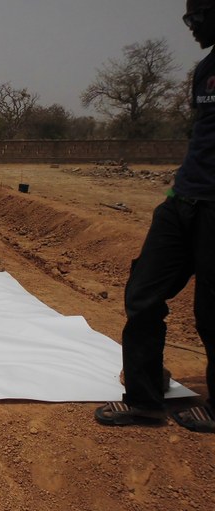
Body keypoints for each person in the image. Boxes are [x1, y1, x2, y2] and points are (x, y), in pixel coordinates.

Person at [95, 0, 215, 432]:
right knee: (143, 293)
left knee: (211, 310)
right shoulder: (205, 70)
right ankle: (144, 399)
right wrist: (179, 191)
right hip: (183, 201)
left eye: (196, 17)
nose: (191, 27)